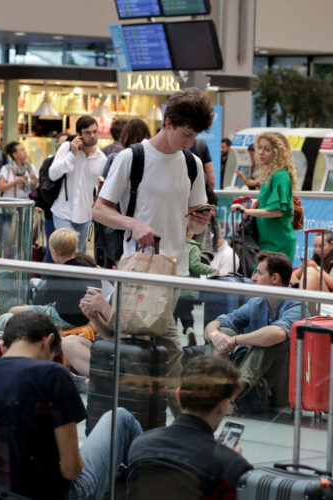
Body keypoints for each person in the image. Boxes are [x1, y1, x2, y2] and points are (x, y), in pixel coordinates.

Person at [93, 87, 213, 416]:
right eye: (186, 134)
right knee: (157, 345)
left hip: (173, 269)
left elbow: (194, 226)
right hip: (138, 270)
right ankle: (180, 419)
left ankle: (153, 416)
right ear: (169, 123)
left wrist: (200, 219)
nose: (190, 142)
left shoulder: (191, 164)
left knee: (151, 345)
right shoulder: (132, 157)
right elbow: (99, 210)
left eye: (195, 136)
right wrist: (133, 223)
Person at [0, 311, 142, 500]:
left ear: (4, 346)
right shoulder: (52, 375)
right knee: (120, 418)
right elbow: (71, 470)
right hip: (52, 495)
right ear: (48, 341)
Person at [126, 356, 252, 500]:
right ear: (223, 404)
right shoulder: (231, 466)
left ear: (178, 396)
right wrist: (229, 460)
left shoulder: (141, 445)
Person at [203, 252, 301, 411]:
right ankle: (213, 386)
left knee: (269, 340)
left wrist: (235, 341)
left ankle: (229, 396)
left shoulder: (297, 305)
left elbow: (278, 334)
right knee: (224, 331)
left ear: (275, 278)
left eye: (259, 273)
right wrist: (216, 337)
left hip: (282, 385)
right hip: (258, 377)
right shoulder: (257, 303)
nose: (253, 277)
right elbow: (215, 324)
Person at [11, 228, 99, 329]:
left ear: (55, 252)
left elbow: (44, 299)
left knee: (13, 311)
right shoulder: (86, 266)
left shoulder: (57, 271)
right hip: (85, 317)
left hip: (64, 318)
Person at [231, 133, 297, 262]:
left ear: (277, 153)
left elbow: (277, 211)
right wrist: (255, 203)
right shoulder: (272, 175)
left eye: (267, 149)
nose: (260, 152)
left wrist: (246, 211)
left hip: (277, 243)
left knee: (266, 279)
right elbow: (271, 204)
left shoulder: (280, 175)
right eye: (259, 148)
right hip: (268, 242)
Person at [49, 115, 107, 252]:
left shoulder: (101, 158)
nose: (92, 136)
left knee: (78, 257)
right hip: (63, 212)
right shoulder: (66, 148)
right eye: (87, 132)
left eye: (95, 132)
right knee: (67, 253)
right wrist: (72, 155)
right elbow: (53, 174)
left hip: (85, 215)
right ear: (79, 134)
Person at [174, 228, 216, 345]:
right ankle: (189, 329)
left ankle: (174, 340)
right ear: (192, 233)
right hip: (189, 290)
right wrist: (212, 270)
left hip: (174, 288)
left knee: (173, 314)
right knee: (187, 312)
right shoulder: (193, 247)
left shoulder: (172, 246)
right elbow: (195, 265)